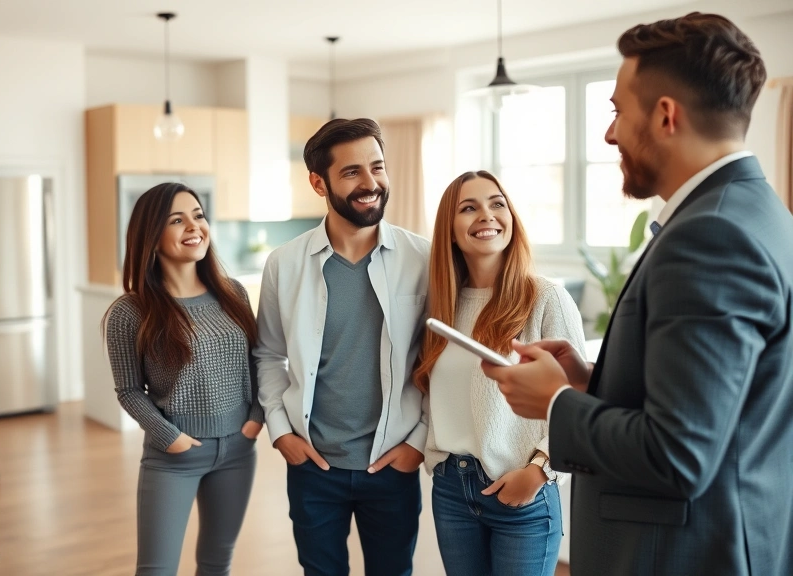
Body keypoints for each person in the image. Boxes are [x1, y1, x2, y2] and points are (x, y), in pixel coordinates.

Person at [482, 12, 793, 576]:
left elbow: (679, 453)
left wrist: (557, 404)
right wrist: (590, 383)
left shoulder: (710, 236)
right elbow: (719, 406)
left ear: (666, 116)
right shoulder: (760, 212)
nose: (609, 133)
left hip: (681, 554)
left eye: (617, 111)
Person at [254, 118, 430, 576]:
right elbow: (269, 354)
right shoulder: (284, 264)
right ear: (319, 182)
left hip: (392, 464)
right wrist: (280, 432)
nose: (371, 183)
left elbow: (439, 361)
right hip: (314, 466)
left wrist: (419, 440)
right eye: (352, 172)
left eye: (378, 167)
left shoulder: (424, 260)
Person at [416, 170, 585, 576]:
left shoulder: (545, 298)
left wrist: (540, 471)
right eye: (468, 208)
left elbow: (578, 403)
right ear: (450, 231)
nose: (486, 216)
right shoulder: (440, 307)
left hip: (523, 489)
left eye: (497, 204)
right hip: (452, 490)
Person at [102, 182, 263, 576]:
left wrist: (255, 419)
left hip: (238, 451)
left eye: (198, 215)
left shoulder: (233, 294)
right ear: (151, 236)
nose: (195, 226)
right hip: (174, 457)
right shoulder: (131, 311)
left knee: (216, 564)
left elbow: (258, 363)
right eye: (177, 219)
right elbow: (128, 391)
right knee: (155, 570)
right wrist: (169, 438)